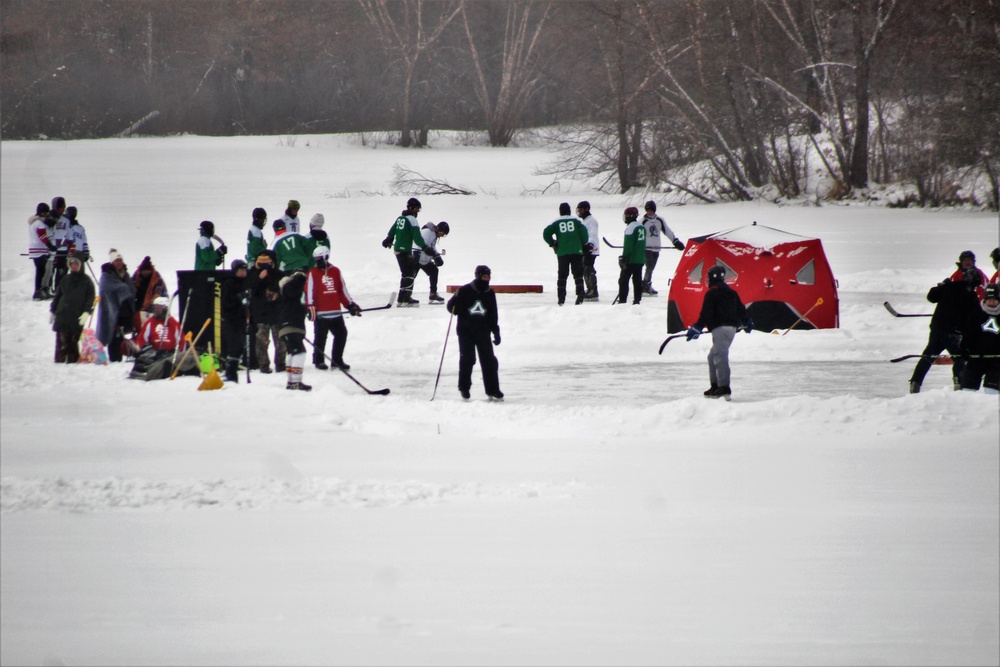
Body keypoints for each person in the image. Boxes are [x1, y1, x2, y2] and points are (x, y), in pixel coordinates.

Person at [908, 267, 982, 393]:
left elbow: (931, 297)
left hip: (937, 329)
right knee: (959, 357)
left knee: (928, 356)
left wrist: (941, 286)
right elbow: (972, 320)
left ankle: (915, 382)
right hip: (954, 333)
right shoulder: (971, 296)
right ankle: (959, 383)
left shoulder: (949, 286)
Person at [686, 265, 752, 400]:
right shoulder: (731, 292)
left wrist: (697, 327)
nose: (707, 280)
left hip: (720, 329)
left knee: (720, 357)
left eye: (708, 277)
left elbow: (706, 313)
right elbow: (741, 309)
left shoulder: (712, 293)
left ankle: (724, 388)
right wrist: (747, 322)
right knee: (712, 357)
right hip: (731, 329)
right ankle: (715, 386)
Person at [446, 265, 503, 401]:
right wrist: (455, 299)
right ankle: (464, 388)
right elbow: (451, 309)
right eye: (484, 276)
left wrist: (496, 332)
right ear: (478, 276)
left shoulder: (490, 293)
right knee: (468, 359)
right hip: (466, 331)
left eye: (488, 277)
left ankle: (493, 389)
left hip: (483, 332)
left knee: (489, 361)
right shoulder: (465, 290)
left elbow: (493, 314)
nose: (486, 279)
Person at [305, 246, 362, 370]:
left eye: (319, 258)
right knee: (320, 338)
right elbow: (309, 291)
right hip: (321, 314)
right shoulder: (312, 273)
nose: (317, 261)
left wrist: (351, 305)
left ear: (326, 257)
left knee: (341, 335)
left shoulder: (335, 271)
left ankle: (337, 360)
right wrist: (310, 307)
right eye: (316, 259)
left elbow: (342, 291)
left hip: (336, 313)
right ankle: (318, 360)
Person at [382, 197, 441, 306]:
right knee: (409, 273)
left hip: (397, 250)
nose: (418, 211)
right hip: (405, 251)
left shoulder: (400, 218)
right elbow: (417, 237)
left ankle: (401, 298)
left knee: (406, 273)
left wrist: (388, 239)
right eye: (417, 209)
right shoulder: (412, 220)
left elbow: (392, 230)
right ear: (411, 207)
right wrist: (424, 247)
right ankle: (406, 298)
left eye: (419, 209)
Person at [130, 296, 197, 381]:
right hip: (154, 353)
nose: (155, 310)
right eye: (155, 307)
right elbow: (142, 339)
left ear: (165, 309)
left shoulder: (174, 323)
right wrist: (141, 349)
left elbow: (181, 341)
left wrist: (179, 352)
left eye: (158, 308)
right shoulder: (149, 322)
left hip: (169, 353)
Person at [49, 255, 95, 364]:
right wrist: (53, 310)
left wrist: (86, 312)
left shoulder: (87, 281)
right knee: (61, 340)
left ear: (80, 265)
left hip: (77, 315)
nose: (73, 266)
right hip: (63, 314)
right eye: (71, 264)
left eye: (76, 264)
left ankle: (72, 362)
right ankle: (59, 362)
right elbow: (58, 296)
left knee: (74, 340)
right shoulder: (65, 279)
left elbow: (90, 298)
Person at [542, 202, 589, 306]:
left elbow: (546, 233)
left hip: (562, 252)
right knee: (577, 274)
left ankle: (561, 298)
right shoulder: (576, 220)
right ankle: (580, 294)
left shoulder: (556, 222)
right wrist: (583, 243)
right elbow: (584, 232)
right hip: (577, 251)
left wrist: (552, 243)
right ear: (570, 210)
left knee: (562, 275)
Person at [248, 250, 286, 374]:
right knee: (261, 341)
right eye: (262, 263)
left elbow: (285, 290)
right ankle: (263, 365)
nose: (265, 266)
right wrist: (260, 278)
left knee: (281, 341)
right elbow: (251, 287)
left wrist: (276, 293)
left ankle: (281, 364)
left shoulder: (279, 274)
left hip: (277, 313)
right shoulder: (253, 274)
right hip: (261, 314)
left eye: (268, 263)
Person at [96, 249, 138, 362]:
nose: (119, 263)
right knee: (114, 334)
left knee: (126, 334)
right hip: (112, 309)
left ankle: (128, 354)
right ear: (112, 263)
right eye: (116, 261)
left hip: (126, 310)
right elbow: (105, 289)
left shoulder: (126, 275)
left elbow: (131, 290)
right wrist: (123, 289)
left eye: (120, 260)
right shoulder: (106, 275)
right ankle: (115, 358)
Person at [959, 283, 1000, 394]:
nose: (991, 302)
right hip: (976, 358)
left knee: (991, 392)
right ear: (985, 299)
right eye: (989, 300)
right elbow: (968, 335)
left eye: (994, 300)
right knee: (967, 391)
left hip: (997, 360)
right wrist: (965, 349)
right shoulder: (976, 313)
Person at [641, 200, 684, 295]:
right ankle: (646, 285)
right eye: (647, 210)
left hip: (656, 248)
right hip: (646, 248)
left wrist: (675, 241)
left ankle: (645, 283)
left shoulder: (659, 220)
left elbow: (667, 231)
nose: (649, 212)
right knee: (649, 267)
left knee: (652, 267)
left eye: (651, 210)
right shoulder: (643, 221)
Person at [278, 270, 311, 391]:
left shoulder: (292, 293)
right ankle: (296, 382)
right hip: (289, 326)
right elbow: (292, 288)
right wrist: (300, 277)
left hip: (291, 326)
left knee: (292, 352)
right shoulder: (288, 287)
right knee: (299, 352)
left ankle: (292, 382)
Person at [220, 259, 250, 383]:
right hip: (231, 321)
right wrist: (238, 298)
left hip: (242, 321)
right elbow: (226, 303)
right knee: (235, 347)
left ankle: (232, 374)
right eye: (240, 270)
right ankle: (230, 373)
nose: (243, 273)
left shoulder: (247, 283)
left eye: (244, 270)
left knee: (240, 347)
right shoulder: (229, 283)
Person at [616, 206, 646, 305]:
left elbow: (628, 245)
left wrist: (624, 258)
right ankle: (637, 300)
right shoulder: (641, 226)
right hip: (640, 259)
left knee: (623, 280)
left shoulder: (630, 227)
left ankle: (622, 300)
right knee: (637, 281)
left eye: (627, 215)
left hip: (631, 259)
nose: (626, 217)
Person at [131, 255, 169, 329]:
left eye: (147, 270)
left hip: (154, 307)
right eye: (144, 271)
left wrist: (151, 308)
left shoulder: (157, 279)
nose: (146, 273)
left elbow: (158, 296)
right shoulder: (136, 278)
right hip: (139, 307)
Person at [28, 202, 56, 300]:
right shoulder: (40, 224)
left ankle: (39, 291)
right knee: (41, 271)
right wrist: (50, 246)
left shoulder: (33, 223)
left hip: (33, 249)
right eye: (46, 213)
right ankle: (38, 292)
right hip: (40, 250)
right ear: (43, 213)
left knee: (40, 271)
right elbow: (42, 237)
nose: (47, 215)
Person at [417, 220, 449, 303]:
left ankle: (433, 294)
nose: (441, 236)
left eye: (444, 235)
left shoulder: (434, 234)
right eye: (442, 233)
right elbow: (421, 244)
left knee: (434, 271)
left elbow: (431, 247)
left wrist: (436, 256)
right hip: (416, 258)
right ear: (438, 229)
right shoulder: (428, 232)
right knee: (410, 276)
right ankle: (404, 296)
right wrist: (434, 255)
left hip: (423, 259)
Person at [47, 196, 72, 292]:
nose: (63, 209)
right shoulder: (50, 218)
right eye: (61, 207)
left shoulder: (66, 220)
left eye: (64, 207)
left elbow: (69, 234)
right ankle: (48, 288)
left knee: (62, 270)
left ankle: (59, 288)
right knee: (50, 271)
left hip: (63, 249)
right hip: (52, 250)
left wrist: (70, 246)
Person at [577, 202, 600, 300]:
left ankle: (593, 290)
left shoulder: (591, 221)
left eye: (581, 209)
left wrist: (590, 245)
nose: (579, 212)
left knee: (588, 269)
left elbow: (593, 234)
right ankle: (590, 289)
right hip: (585, 248)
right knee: (584, 269)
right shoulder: (585, 221)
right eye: (578, 210)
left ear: (586, 209)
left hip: (591, 249)